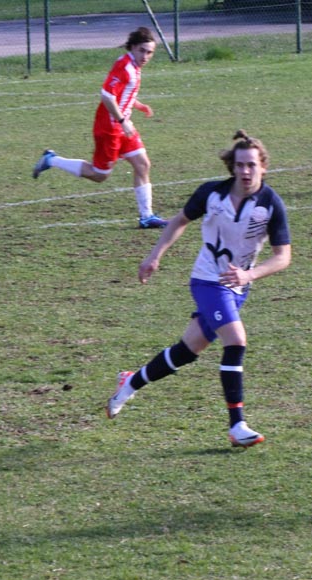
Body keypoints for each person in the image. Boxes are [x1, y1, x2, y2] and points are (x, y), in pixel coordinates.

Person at [106, 130, 291, 448]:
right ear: (232, 167)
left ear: (263, 167)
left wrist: (249, 275)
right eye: (240, 165)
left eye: (251, 165)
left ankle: (130, 383)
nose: (245, 171)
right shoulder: (212, 194)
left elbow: (283, 257)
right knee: (236, 340)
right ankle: (237, 426)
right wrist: (154, 256)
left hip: (237, 286)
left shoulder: (271, 204)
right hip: (208, 281)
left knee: (188, 350)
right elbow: (179, 221)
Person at [32, 26, 168, 230]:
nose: (146, 56)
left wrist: (138, 105)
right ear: (132, 47)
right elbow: (107, 96)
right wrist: (122, 121)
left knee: (142, 164)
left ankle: (147, 216)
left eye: (150, 52)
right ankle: (52, 160)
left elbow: (122, 94)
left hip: (122, 125)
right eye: (142, 50)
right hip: (110, 127)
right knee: (99, 175)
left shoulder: (133, 66)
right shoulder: (124, 67)